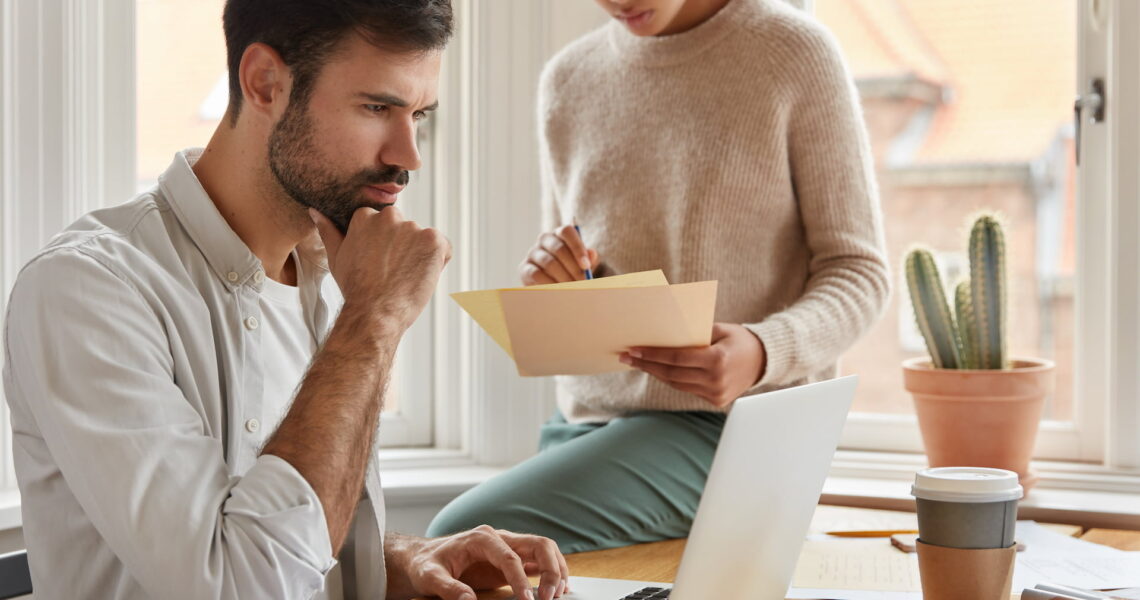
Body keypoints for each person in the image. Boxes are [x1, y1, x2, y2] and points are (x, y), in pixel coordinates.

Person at [1, 1, 570, 599]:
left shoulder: (329, 277)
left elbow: (281, 535)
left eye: (419, 115)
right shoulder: (87, 291)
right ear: (265, 84)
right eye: (378, 107)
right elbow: (242, 585)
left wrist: (400, 560)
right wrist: (372, 320)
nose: (409, 156)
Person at [427, 0, 891, 553]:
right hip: (583, 426)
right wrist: (557, 279)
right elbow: (582, 258)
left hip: (740, 432)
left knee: (456, 542)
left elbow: (859, 271)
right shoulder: (568, 80)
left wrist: (763, 351)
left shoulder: (793, 54)